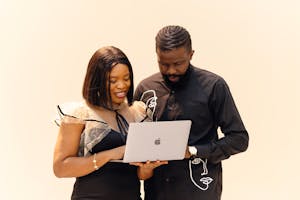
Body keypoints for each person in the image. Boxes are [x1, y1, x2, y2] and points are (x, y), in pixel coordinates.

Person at [133, 25, 249, 200]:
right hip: (157, 192)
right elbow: (135, 140)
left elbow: (239, 139)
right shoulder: (145, 89)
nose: (171, 70)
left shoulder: (214, 86)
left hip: (200, 191)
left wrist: (194, 151)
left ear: (191, 55)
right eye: (163, 64)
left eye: (178, 63)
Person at [53, 46, 149, 200]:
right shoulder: (79, 115)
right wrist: (113, 153)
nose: (122, 85)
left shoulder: (137, 113)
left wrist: (148, 168)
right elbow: (60, 168)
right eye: (113, 80)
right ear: (97, 80)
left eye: (126, 78)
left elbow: (141, 175)